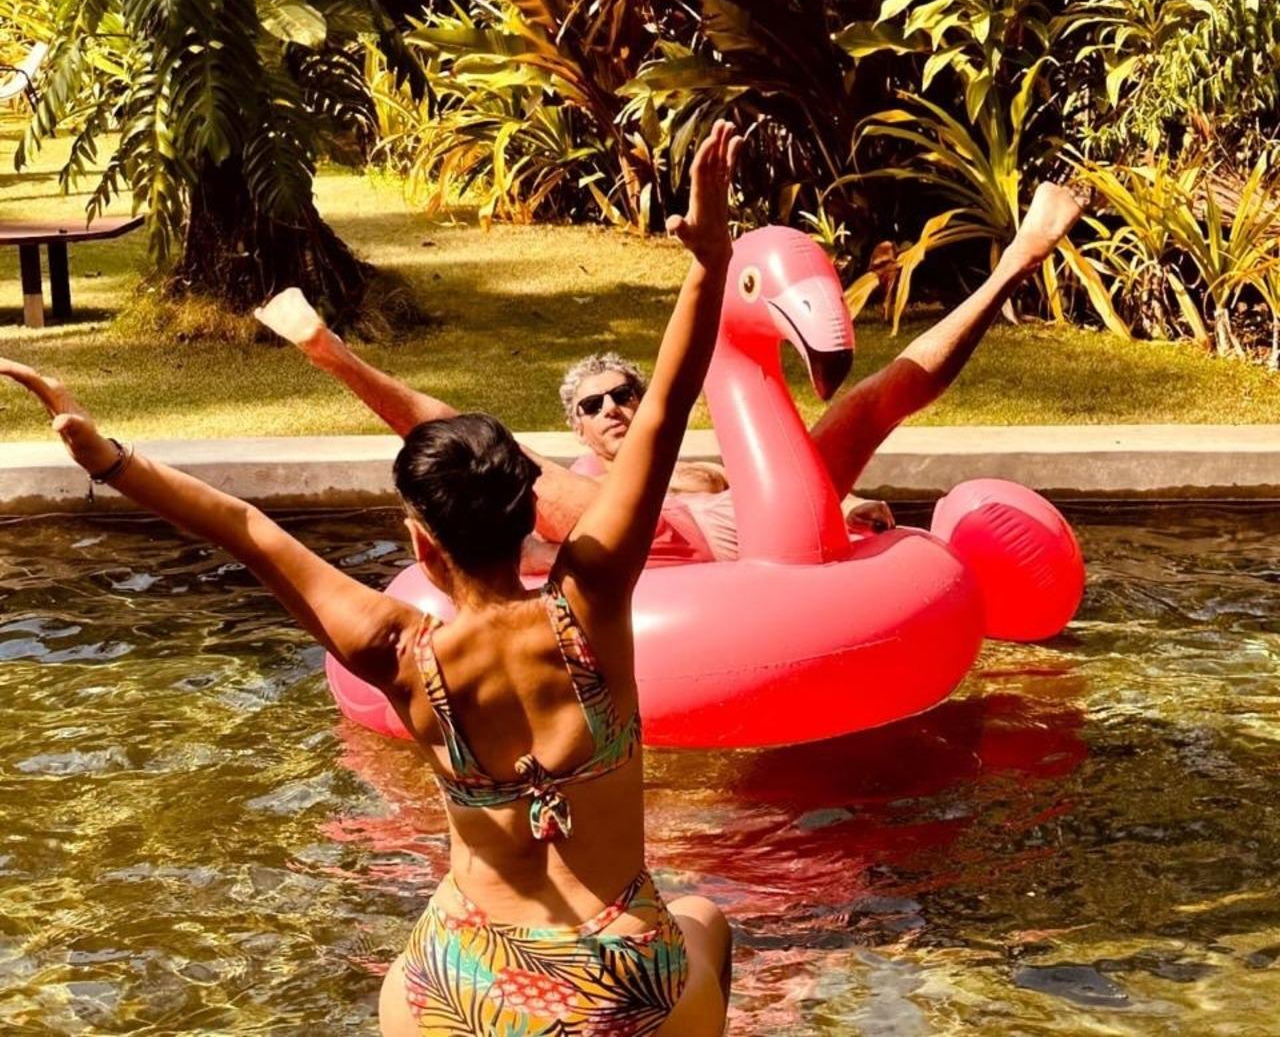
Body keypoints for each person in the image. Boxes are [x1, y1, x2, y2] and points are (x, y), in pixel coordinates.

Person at [1, 121, 744, 1037]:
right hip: (622, 994)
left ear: (420, 542)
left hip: (463, 997)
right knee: (706, 923)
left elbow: (242, 526)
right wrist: (709, 259)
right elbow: (665, 409)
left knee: (415, 970)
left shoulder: (395, 647)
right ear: (529, 515)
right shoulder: (593, 597)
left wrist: (108, 456)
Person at [258, 180, 1086, 566]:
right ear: (577, 426)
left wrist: (835, 507)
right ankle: (330, 350)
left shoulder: (707, 463)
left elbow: (787, 454)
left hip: (756, 523)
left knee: (871, 406)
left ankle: (1014, 260)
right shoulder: (583, 491)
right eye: (595, 403)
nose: (615, 406)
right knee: (492, 448)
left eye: (625, 392)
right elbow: (462, 439)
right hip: (653, 541)